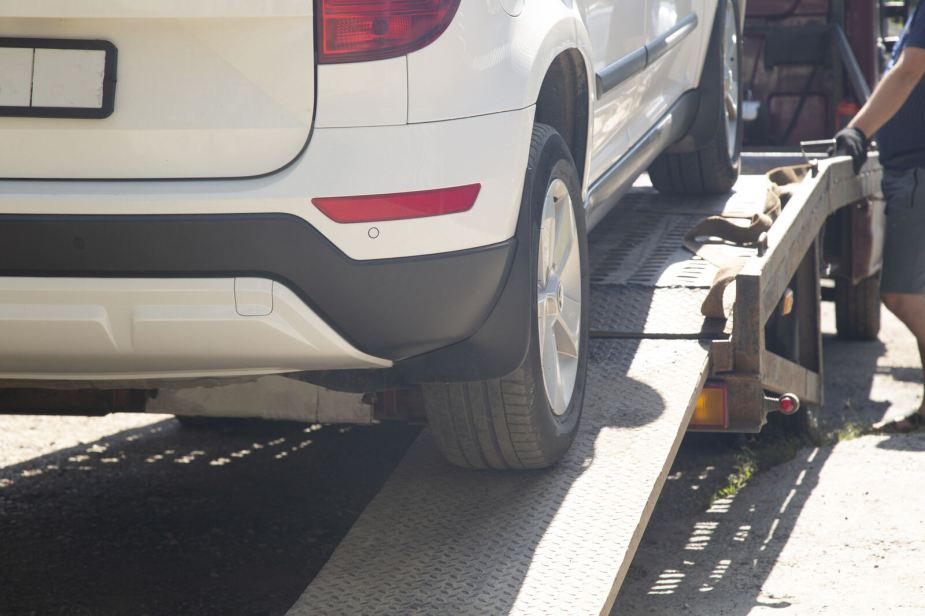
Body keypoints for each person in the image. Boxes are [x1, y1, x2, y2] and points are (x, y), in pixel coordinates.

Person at [835, 5, 925, 431]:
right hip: (910, 170)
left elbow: (910, 70)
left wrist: (858, 130)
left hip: (918, 172)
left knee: (903, 296)